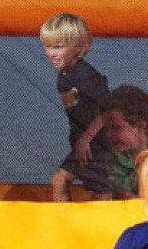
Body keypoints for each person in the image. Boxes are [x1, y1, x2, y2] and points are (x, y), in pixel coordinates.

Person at [40, 12, 112, 201]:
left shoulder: (85, 75)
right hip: (85, 143)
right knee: (60, 181)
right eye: (47, 46)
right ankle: (64, 219)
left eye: (58, 47)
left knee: (98, 193)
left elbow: (110, 110)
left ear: (78, 46)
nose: (51, 53)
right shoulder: (64, 75)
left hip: (100, 143)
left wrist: (86, 138)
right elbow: (77, 110)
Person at [102, 85, 148, 198]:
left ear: (141, 126)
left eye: (115, 127)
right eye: (106, 129)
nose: (108, 135)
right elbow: (127, 197)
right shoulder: (115, 159)